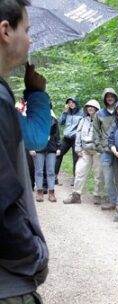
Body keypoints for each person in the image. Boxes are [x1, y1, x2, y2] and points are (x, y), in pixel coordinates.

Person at [0, 0, 51, 302]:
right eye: (27, 30)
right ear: (5, 31)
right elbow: (35, 137)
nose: (31, 40)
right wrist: (34, 255)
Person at [63, 99, 105, 205]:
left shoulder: (102, 121)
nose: (90, 108)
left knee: (98, 174)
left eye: (92, 107)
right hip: (85, 151)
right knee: (79, 171)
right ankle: (76, 195)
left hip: (97, 152)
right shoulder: (83, 120)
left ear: (97, 109)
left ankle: (97, 195)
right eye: (88, 106)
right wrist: (78, 148)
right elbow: (78, 134)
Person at [30, 109, 61, 202]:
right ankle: (39, 192)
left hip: (51, 148)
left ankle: (51, 192)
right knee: (39, 171)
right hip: (38, 148)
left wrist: (58, 147)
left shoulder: (53, 119)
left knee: (51, 171)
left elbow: (57, 135)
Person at [96, 88, 118, 210]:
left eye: (112, 96)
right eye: (107, 96)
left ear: (115, 97)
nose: (110, 98)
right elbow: (95, 130)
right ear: (105, 99)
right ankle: (113, 201)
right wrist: (99, 146)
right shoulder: (100, 113)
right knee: (108, 178)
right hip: (105, 150)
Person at [55, 96, 83, 185]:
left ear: (76, 102)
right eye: (69, 102)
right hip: (66, 138)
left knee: (76, 158)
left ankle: (75, 178)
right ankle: (54, 176)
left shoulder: (82, 113)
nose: (71, 104)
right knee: (58, 154)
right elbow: (60, 122)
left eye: (72, 102)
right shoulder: (67, 113)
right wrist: (65, 112)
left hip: (76, 138)